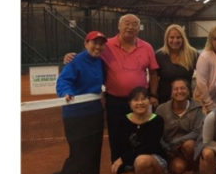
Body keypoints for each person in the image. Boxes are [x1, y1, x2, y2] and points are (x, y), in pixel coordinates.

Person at [65, 14, 159, 161]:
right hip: (115, 101)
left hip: (140, 101)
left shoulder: (147, 47)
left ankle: (138, 166)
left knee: (142, 135)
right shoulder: (106, 45)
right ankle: (118, 166)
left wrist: (153, 95)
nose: (130, 27)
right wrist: (71, 57)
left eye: (134, 24)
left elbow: (153, 73)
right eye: (126, 23)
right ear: (119, 26)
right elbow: (89, 55)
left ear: (139, 28)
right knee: (116, 135)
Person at [53, 31, 107, 174]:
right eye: (94, 43)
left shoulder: (101, 62)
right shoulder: (75, 61)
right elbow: (63, 81)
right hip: (75, 115)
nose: (98, 47)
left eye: (101, 44)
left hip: (95, 114)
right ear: (86, 43)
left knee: (94, 153)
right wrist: (66, 92)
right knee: (78, 154)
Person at [110, 86, 168, 174]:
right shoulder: (122, 121)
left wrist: (124, 159)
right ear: (130, 104)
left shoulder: (157, 120)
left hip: (153, 159)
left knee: (141, 161)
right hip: (129, 163)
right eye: (136, 100)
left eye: (143, 99)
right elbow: (117, 147)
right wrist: (121, 173)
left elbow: (149, 147)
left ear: (149, 101)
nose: (140, 103)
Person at [155, 78, 205, 174]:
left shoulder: (197, 108)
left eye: (183, 88)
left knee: (189, 145)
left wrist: (177, 142)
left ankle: (194, 170)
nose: (179, 91)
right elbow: (157, 133)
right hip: (170, 150)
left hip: (191, 148)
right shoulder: (161, 109)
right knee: (178, 168)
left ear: (188, 91)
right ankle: (179, 173)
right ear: (171, 92)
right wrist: (167, 147)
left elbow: (198, 131)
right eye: (176, 89)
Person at [155, 24, 199, 104]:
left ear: (183, 38)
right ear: (166, 39)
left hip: (186, 100)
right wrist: (153, 96)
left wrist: (199, 91)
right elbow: (154, 78)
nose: (175, 41)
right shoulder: (159, 56)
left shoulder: (193, 54)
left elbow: (203, 74)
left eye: (178, 37)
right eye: (172, 37)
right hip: (164, 100)